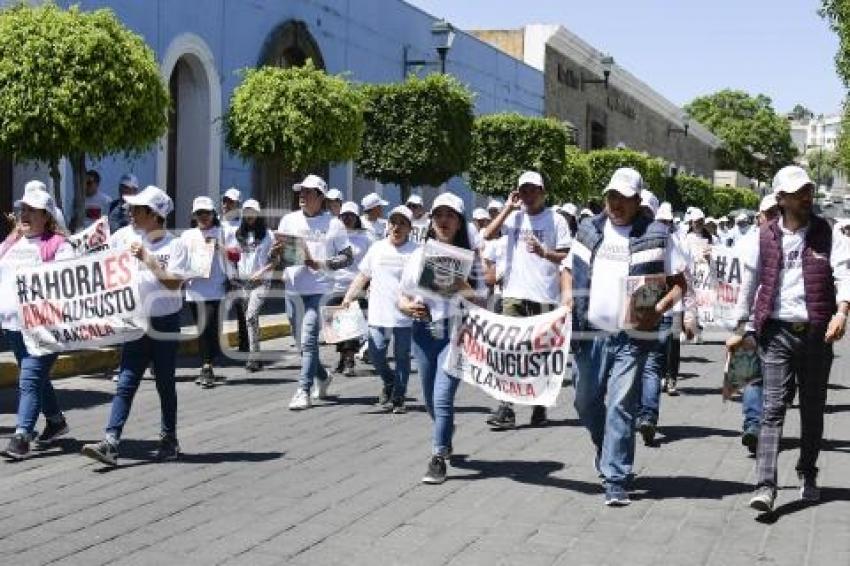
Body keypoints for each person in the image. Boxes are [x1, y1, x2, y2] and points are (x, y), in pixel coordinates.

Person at [562, 167, 687, 506]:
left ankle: (617, 478)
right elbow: (568, 271)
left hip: (632, 336)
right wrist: (567, 298)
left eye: (624, 198)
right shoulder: (588, 229)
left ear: (637, 200)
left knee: (620, 406)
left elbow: (679, 285)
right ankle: (607, 449)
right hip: (589, 334)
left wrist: (658, 311)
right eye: (612, 196)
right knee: (584, 402)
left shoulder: (658, 235)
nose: (616, 203)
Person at [729, 166, 850, 512]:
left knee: (812, 409)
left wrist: (842, 312)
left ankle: (807, 472)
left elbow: (844, 273)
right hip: (776, 332)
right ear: (781, 199)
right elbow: (749, 283)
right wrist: (740, 327)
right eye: (798, 193)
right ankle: (765, 484)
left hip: (815, 334)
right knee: (772, 408)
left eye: (808, 191)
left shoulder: (829, 234)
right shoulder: (763, 236)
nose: (806, 197)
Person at [82, 186, 190, 466]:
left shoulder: (174, 245)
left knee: (165, 382)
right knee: (127, 381)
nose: (130, 212)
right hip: (134, 321)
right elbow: (95, 261)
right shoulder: (122, 236)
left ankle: (169, 438)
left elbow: (174, 283)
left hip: (164, 323)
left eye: (138, 209)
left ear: (154, 215)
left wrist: (147, 258)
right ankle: (111, 441)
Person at [398, 192, 481, 484]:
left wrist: (463, 286)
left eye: (450, 216)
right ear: (431, 221)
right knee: (431, 401)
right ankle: (445, 432)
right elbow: (403, 295)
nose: (444, 221)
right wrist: (406, 306)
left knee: (442, 397)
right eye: (439, 215)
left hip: (455, 332)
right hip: (422, 333)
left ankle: (438, 456)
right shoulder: (418, 255)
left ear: (459, 223)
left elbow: (483, 303)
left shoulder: (471, 259)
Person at [480, 171, 571, 429]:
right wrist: (508, 208)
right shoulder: (513, 217)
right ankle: (505, 408)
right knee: (508, 351)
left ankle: (539, 405)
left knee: (537, 354)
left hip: (544, 294)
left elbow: (565, 256)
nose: (529, 195)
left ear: (543, 192)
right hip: (513, 294)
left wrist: (544, 252)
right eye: (524, 191)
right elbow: (486, 235)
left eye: (533, 190)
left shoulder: (557, 220)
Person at [0, 184, 74, 459]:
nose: (25, 214)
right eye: (23, 209)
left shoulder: (58, 245)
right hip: (12, 326)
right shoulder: (13, 243)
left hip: (44, 327)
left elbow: (68, 281)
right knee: (37, 379)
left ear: (46, 216)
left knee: (29, 379)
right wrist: (13, 235)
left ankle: (21, 436)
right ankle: (56, 421)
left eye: (32, 210)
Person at [276, 175, 352, 410]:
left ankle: (303, 390)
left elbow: (347, 257)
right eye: (301, 191)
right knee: (301, 343)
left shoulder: (334, 224)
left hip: (320, 289)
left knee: (309, 339)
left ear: (321, 197)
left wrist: (322, 263)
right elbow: (280, 257)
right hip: (293, 288)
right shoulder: (289, 220)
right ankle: (323, 375)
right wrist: (275, 254)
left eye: (308, 192)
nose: (302, 195)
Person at [343, 206, 417, 412]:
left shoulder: (417, 251)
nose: (397, 227)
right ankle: (389, 381)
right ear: (388, 225)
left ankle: (399, 397)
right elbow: (363, 276)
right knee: (375, 354)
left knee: (402, 356)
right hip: (379, 312)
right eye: (394, 222)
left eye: (403, 223)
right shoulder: (377, 248)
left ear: (410, 228)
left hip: (405, 314)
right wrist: (349, 296)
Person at [182, 196, 230, 388]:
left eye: (207, 213)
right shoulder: (187, 236)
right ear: (194, 215)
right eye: (200, 213)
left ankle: (207, 365)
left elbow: (237, 254)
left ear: (213, 214)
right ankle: (207, 362)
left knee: (209, 325)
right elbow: (180, 260)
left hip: (216, 288)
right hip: (194, 288)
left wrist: (220, 247)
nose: (204, 217)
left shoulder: (222, 232)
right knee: (202, 329)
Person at [232, 199, 273, 373]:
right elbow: (234, 257)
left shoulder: (268, 235)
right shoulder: (238, 234)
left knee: (251, 315)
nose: (249, 215)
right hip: (243, 282)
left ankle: (253, 357)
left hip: (261, 281)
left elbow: (275, 259)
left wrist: (261, 272)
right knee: (250, 319)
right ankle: (256, 353)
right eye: (246, 212)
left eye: (253, 212)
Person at [332, 202, 373, 376]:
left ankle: (349, 360)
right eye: (344, 216)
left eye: (351, 215)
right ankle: (343, 358)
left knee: (352, 325)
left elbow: (371, 264)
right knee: (338, 326)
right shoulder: (334, 236)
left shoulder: (366, 239)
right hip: (336, 285)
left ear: (357, 218)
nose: (347, 219)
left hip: (357, 286)